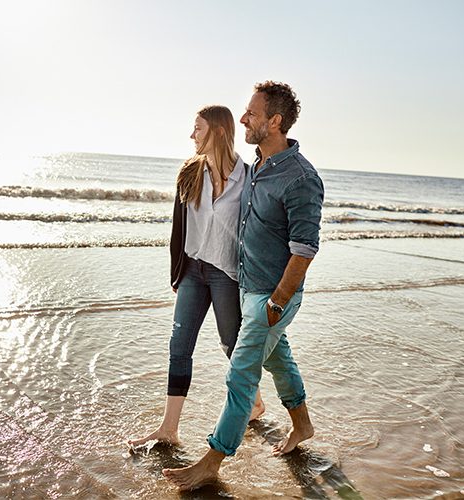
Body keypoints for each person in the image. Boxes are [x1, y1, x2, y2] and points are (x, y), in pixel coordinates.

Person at [163, 81, 324, 490]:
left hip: (271, 296)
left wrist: (277, 303)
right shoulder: (257, 169)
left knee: (241, 375)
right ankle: (302, 427)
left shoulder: (300, 178)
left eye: (251, 113)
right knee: (279, 362)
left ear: (274, 121)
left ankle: (212, 461)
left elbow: (304, 249)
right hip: (247, 289)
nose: (244, 119)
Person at [128, 105, 265, 448]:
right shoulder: (189, 172)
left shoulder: (248, 178)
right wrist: (176, 273)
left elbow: (257, 231)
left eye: (198, 129)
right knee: (179, 347)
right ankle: (169, 428)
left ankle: (257, 403)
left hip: (226, 274)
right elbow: (179, 227)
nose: (192, 136)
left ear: (218, 131)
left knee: (231, 344)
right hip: (192, 270)